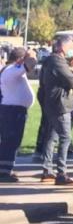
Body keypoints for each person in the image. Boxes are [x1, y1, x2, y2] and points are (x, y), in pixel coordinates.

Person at [39, 37, 73, 184]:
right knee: (65, 137)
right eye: (72, 47)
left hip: (52, 103)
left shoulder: (51, 60)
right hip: (60, 104)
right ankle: (61, 173)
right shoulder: (57, 61)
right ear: (63, 48)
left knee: (51, 136)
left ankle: (47, 170)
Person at [0, 47, 37, 182]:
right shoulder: (11, 70)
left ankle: (6, 169)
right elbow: (30, 64)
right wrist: (32, 56)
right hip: (12, 111)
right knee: (10, 141)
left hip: (14, 109)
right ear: (20, 59)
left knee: (12, 141)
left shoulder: (11, 70)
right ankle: (4, 172)